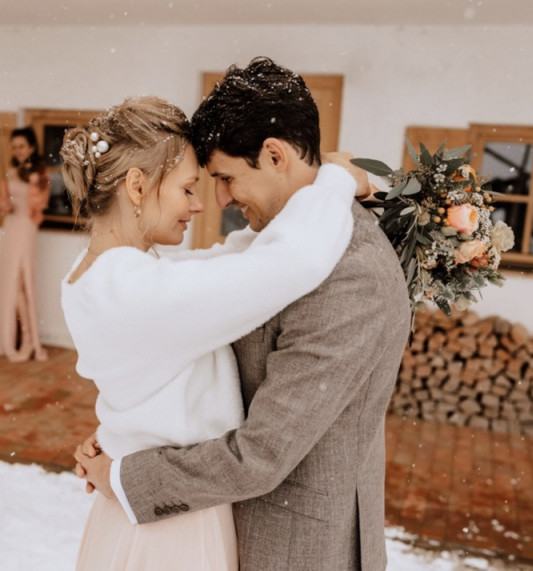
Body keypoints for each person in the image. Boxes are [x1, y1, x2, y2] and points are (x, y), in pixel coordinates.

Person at [74, 58, 412, 571]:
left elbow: (263, 454)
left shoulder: (350, 274)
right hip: (212, 524)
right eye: (198, 185)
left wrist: (126, 472)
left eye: (225, 178)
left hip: (295, 545)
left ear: (274, 155)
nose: (220, 200)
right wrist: (131, 429)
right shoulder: (274, 243)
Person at [0, 127, 49, 362]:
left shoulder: (40, 173)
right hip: (10, 226)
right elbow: (2, 201)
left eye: (22, 146)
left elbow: (39, 204)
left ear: (32, 148)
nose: (18, 151)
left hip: (26, 227)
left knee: (21, 283)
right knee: (10, 283)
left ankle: (28, 341)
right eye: (14, 147)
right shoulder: (10, 171)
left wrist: (33, 182)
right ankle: (13, 339)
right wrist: (4, 205)